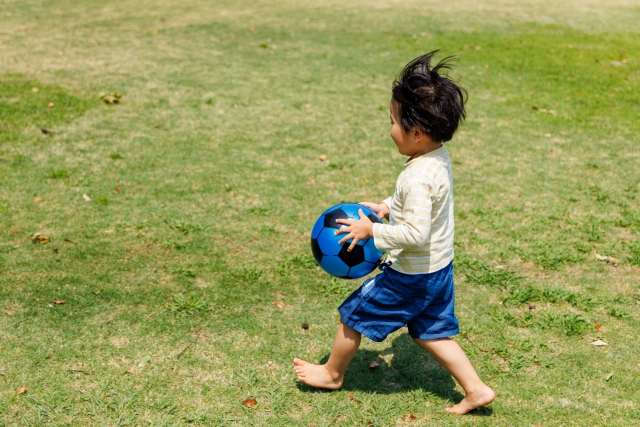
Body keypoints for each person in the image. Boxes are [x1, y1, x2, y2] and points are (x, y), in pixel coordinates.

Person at [293, 51, 495, 415]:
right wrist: (388, 205)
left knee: (352, 315)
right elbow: (421, 207)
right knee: (430, 331)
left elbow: (416, 232)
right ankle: (476, 389)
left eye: (392, 121)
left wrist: (374, 230)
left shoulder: (415, 176)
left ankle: (332, 374)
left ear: (416, 133)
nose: (389, 129)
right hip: (437, 270)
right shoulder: (436, 158)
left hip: (411, 274)